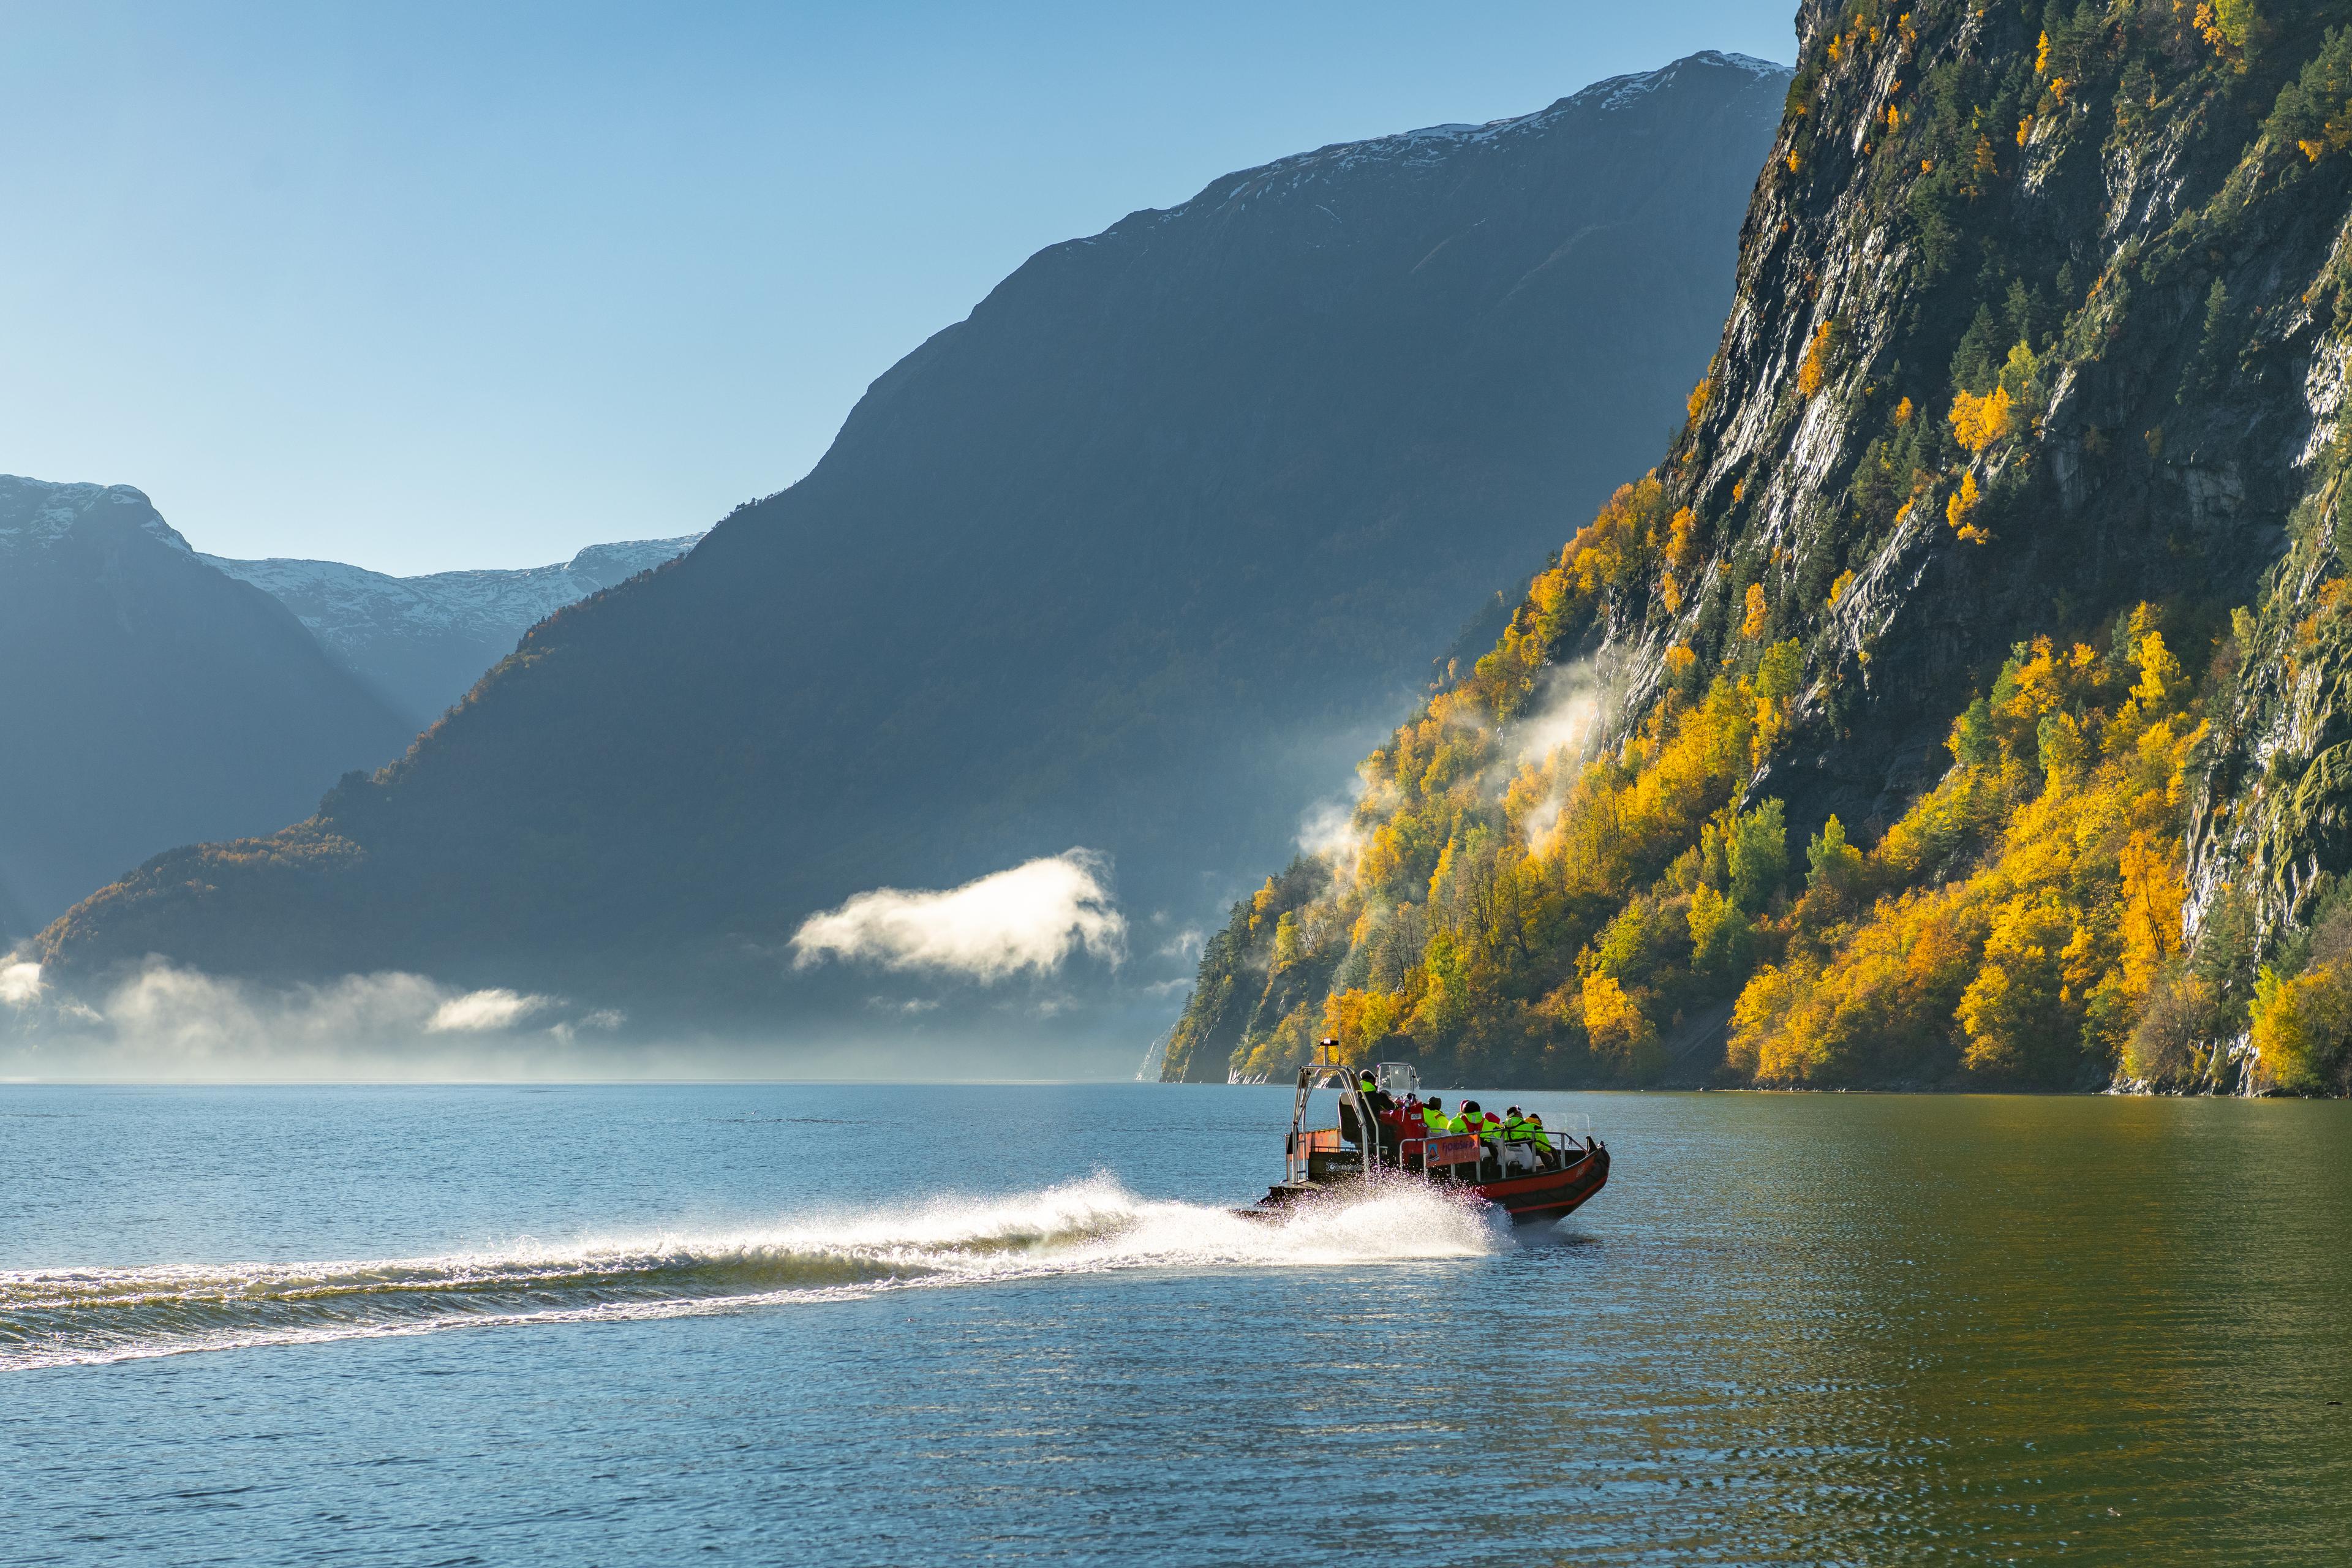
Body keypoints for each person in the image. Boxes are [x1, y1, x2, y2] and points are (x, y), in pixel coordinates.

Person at [1501, 1106, 1536, 1175]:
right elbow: (1536, 1139)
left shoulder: (1504, 1127)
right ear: (1516, 1115)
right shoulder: (1526, 1126)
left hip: (1514, 1152)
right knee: (1545, 1153)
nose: (1522, 1114)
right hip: (1529, 1153)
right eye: (1520, 1113)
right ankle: (1553, 1172)